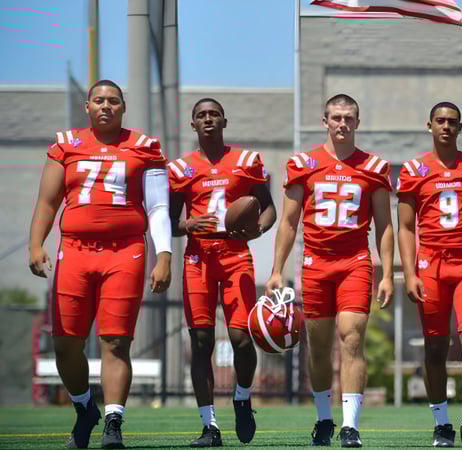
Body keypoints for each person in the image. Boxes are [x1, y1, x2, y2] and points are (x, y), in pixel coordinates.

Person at [28, 79, 172, 449]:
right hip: (74, 250)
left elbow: (157, 207)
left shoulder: (144, 147)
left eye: (113, 101)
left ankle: (113, 422)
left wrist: (164, 256)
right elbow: (48, 202)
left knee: (115, 341)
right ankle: (84, 408)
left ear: (123, 108)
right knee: (64, 345)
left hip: (125, 251)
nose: (105, 106)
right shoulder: (67, 145)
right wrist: (35, 245)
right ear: (87, 107)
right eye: (99, 100)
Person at [266, 94, 394, 448]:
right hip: (316, 263)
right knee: (319, 347)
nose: (342, 123)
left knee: (351, 337)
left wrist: (385, 273)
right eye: (336, 117)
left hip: (354, 261)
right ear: (325, 121)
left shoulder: (373, 167)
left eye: (348, 117)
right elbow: (289, 223)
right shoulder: (303, 164)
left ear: (358, 121)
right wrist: (276, 269)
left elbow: (385, 224)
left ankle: (350, 425)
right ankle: (324, 418)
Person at [168, 98, 276, 447]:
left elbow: (269, 208)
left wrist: (256, 229)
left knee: (242, 338)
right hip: (198, 257)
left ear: (224, 121)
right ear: (193, 125)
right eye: (201, 115)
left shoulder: (245, 161)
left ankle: (242, 398)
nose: (208, 119)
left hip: (234, 254)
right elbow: (169, 222)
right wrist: (187, 224)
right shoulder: (181, 168)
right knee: (200, 342)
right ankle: (209, 426)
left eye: (214, 114)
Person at [396, 102, 462, 448]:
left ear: (460, 127)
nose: (446, 126)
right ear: (429, 125)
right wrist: (409, 271)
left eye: (452, 122)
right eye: (440, 121)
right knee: (435, 346)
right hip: (431, 264)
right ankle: (442, 423)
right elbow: (405, 227)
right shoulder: (413, 169)